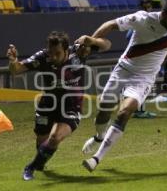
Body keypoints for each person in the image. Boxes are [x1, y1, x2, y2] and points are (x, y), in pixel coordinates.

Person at [76, 0, 167, 172]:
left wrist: (158, 67)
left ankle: (96, 158)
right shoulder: (142, 18)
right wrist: (91, 41)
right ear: (164, 14)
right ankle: (99, 136)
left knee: (124, 112)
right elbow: (111, 24)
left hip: (144, 78)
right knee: (105, 107)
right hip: (123, 69)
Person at [6, 31, 111, 181]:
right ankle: (39, 163)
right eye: (51, 52)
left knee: (55, 138)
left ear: (67, 50)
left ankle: (30, 167)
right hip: (48, 105)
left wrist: (92, 40)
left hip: (71, 106)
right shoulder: (42, 57)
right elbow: (16, 70)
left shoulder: (80, 51)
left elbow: (107, 45)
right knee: (42, 140)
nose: (53, 57)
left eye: (58, 53)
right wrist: (12, 60)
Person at [126, 0, 157, 119]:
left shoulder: (152, 20)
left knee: (141, 84)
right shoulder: (138, 20)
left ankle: (138, 109)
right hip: (138, 58)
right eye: (145, 7)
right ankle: (139, 110)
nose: (147, 10)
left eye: (149, 7)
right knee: (139, 84)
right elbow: (128, 36)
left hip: (146, 57)